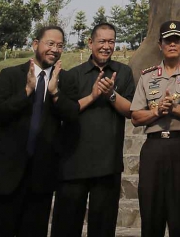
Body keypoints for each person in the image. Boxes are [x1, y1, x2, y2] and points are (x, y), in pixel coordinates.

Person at [0, 24, 79, 237]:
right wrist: (26, 91)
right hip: (5, 176)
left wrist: (54, 94)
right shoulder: (10, 75)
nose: (55, 49)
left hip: (41, 179)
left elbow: (72, 114)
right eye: (50, 43)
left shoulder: (66, 79)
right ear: (35, 44)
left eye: (60, 45)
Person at [51, 21, 135, 237]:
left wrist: (111, 95)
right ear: (90, 43)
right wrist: (93, 96)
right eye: (102, 41)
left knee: (103, 229)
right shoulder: (72, 75)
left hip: (107, 166)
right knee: (66, 227)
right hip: (73, 165)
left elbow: (132, 112)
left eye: (112, 41)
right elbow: (65, 112)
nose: (107, 46)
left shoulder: (123, 73)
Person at [131, 20, 180, 237]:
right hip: (154, 148)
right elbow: (135, 116)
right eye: (168, 40)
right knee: (151, 213)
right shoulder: (147, 76)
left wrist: (175, 108)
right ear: (160, 44)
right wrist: (156, 112)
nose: (172, 44)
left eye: (177, 40)